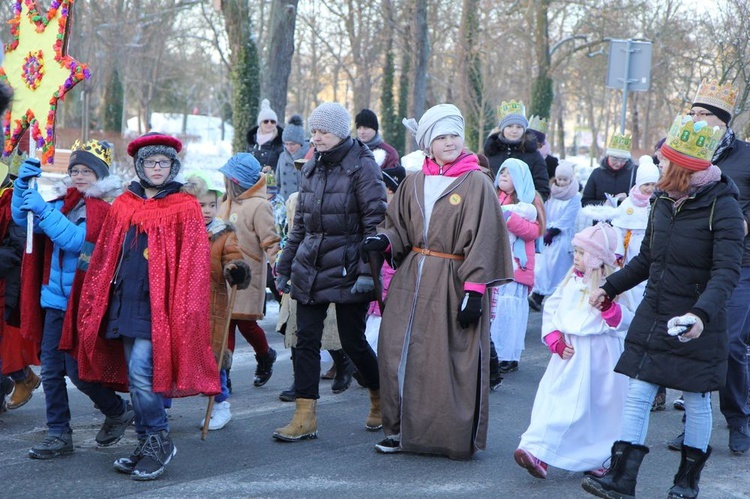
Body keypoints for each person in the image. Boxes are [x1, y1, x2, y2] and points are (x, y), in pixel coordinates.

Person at [581, 115, 744, 499]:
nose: (658, 166)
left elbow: (726, 272)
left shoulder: (723, 207)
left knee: (696, 398)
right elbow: (648, 258)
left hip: (696, 317)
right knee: (638, 392)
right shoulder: (660, 203)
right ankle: (621, 479)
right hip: (655, 313)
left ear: (683, 168)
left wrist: (700, 315)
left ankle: (686, 483)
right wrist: (610, 285)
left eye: (664, 161)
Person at [363, 103, 513, 459]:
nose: (449, 142)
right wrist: (385, 240)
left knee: (446, 361)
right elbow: (398, 227)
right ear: (428, 144)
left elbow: (486, 238)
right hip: (410, 278)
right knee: (396, 352)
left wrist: (475, 291)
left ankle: (448, 436)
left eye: (454, 136)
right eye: (441, 137)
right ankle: (397, 431)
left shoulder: (477, 182)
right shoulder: (414, 182)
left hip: (453, 282)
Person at [77, 132, 220, 481]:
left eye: (164, 162)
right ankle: (145, 442)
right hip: (125, 300)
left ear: (174, 166)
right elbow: (108, 251)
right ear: (140, 165)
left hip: (160, 305)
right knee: (135, 376)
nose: (157, 168)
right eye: (151, 162)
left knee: (142, 372)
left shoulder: (184, 205)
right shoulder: (125, 203)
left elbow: (195, 261)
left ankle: (159, 440)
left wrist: (186, 306)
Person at [12, 141, 134, 459]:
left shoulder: (106, 209)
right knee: (52, 370)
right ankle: (58, 434)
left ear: (100, 174)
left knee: (80, 372)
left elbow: (76, 241)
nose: (79, 176)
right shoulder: (64, 203)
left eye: (86, 170)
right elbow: (26, 222)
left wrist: (40, 208)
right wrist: (21, 187)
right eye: (75, 170)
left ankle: (117, 410)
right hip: (55, 301)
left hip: (85, 306)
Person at [274, 102, 387, 442]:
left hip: (350, 266)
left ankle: (380, 397)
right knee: (304, 340)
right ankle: (304, 415)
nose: (316, 137)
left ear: (339, 132)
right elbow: (300, 226)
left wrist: (369, 271)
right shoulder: (311, 168)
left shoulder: (363, 166)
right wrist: (284, 264)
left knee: (352, 342)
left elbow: (375, 221)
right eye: (314, 131)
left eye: (323, 131)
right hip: (311, 264)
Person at [515, 223, 633, 479]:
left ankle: (597, 456)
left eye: (581, 253)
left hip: (601, 356)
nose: (575, 258)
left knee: (599, 410)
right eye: (576, 252)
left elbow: (628, 320)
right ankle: (538, 450)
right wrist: (554, 337)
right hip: (569, 353)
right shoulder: (570, 280)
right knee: (556, 401)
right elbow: (552, 309)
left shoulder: (613, 284)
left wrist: (609, 309)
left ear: (596, 257)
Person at [678, 78, 750, 455]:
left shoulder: (746, 156)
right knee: (695, 338)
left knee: (733, 343)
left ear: (722, 120)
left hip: (740, 263)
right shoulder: (688, 152)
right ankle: (693, 424)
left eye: (704, 114)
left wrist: (743, 223)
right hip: (696, 263)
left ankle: (738, 418)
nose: (697, 119)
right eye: (693, 113)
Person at [183, 174, 250, 431]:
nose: (208, 210)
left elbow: (233, 256)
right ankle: (161, 408)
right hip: (183, 306)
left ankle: (221, 405)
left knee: (213, 359)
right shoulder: (181, 230)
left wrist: (235, 269)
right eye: (202, 205)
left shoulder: (223, 233)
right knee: (174, 356)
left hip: (212, 307)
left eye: (213, 204)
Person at [218, 154, 281, 389]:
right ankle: (224, 376)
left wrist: (279, 268)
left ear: (236, 181)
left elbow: (270, 240)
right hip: (224, 274)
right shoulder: (225, 202)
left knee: (246, 324)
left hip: (246, 276)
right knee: (226, 326)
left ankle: (265, 354)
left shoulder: (259, 205)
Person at [490, 158, 545, 374]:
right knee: (496, 309)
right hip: (495, 261)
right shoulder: (492, 197)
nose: (503, 175)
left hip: (516, 265)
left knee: (510, 310)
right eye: (501, 171)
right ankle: (494, 352)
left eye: (509, 172)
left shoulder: (530, 203)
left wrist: (508, 218)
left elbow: (534, 232)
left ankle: (509, 355)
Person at [0, 157, 38, 411]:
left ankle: (22, 377)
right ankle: (22, 377)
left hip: (8, 283)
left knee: (8, 340)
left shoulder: (11, 200)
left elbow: (17, 249)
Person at [529, 162, 582, 311]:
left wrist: (554, 230)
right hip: (546, 235)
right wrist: (544, 227)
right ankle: (537, 295)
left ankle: (557, 298)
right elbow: (545, 209)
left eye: (565, 179)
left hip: (562, 237)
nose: (562, 182)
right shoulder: (552, 192)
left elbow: (569, 216)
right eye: (560, 179)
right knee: (542, 267)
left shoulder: (575, 196)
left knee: (557, 268)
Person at [482, 100, 550, 200]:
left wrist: (528, 206)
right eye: (509, 126)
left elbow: (542, 187)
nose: (514, 131)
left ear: (524, 129)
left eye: (519, 127)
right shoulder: (490, 153)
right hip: (492, 207)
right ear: (502, 128)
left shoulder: (533, 155)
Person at [581, 133, 637, 207]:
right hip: (602, 217)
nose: (618, 163)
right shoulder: (597, 173)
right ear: (608, 156)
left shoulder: (635, 173)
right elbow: (585, 201)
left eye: (623, 160)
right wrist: (603, 203)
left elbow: (645, 200)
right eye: (615, 159)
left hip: (625, 217)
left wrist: (627, 200)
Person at [276, 114, 310, 201]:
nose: (289, 147)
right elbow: (278, 183)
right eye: (286, 144)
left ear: (300, 143)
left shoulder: (309, 156)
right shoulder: (282, 157)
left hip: (302, 203)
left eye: (292, 144)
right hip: (284, 203)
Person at [247, 99, 284, 173]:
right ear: (260, 123)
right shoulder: (252, 140)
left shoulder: (280, 142)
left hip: (271, 182)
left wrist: (272, 168)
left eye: (272, 121)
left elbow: (284, 164)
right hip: (252, 181)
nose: (269, 124)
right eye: (266, 121)